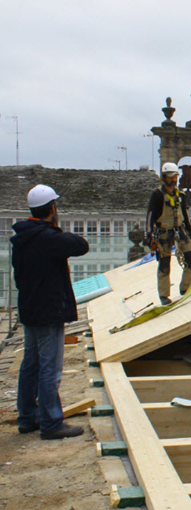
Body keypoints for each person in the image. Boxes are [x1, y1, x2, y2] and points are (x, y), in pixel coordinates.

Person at [11, 184, 89, 439]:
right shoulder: (48, 238)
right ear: (52, 209)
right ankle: (52, 423)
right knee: (50, 368)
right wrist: (54, 229)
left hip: (30, 308)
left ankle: (27, 417)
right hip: (49, 311)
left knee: (30, 364)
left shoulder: (23, 238)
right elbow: (81, 245)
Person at [146, 162, 191, 306]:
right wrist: (149, 234)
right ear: (164, 177)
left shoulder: (179, 194)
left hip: (179, 231)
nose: (173, 180)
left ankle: (185, 287)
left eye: (175, 176)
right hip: (163, 233)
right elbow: (150, 215)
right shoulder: (157, 195)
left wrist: (189, 229)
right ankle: (164, 295)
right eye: (170, 177)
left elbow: (184, 213)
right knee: (164, 264)